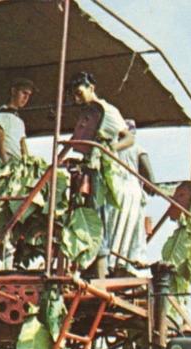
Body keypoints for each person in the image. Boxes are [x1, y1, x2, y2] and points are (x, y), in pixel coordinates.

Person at [67, 71, 134, 278]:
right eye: (74, 96)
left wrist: (111, 148)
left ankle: (101, 275)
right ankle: (85, 267)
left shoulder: (107, 111)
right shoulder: (88, 114)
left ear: (91, 88)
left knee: (98, 217)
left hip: (101, 173)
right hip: (87, 169)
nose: (77, 99)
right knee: (82, 215)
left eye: (80, 93)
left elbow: (129, 138)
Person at [107, 119, 151, 274]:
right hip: (131, 191)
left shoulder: (111, 149)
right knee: (132, 229)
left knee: (113, 228)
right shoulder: (138, 148)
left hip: (113, 191)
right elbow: (150, 178)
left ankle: (110, 263)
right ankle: (126, 264)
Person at [0, 78, 35, 161]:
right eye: (24, 93)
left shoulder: (20, 121)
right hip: (7, 165)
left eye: (29, 95)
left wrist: (28, 165)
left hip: (19, 165)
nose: (26, 98)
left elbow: (23, 146)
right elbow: (0, 148)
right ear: (13, 91)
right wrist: (8, 168)